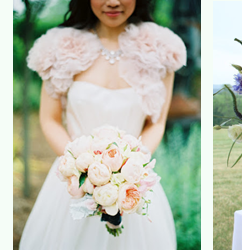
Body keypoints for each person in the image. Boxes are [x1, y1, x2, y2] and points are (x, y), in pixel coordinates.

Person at [19, 0, 186, 249]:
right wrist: (83, 169)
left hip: (133, 182)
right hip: (72, 183)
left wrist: (129, 169)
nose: (113, 2)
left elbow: (157, 123)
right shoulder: (59, 47)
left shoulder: (161, 49)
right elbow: (50, 119)